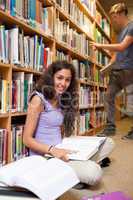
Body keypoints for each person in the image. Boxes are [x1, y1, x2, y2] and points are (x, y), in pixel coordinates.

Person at [23, 60, 114, 188]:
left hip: (62, 148)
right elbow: (26, 139)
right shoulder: (38, 99)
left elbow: (59, 132)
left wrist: (71, 146)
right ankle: (74, 172)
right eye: (59, 78)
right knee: (94, 172)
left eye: (67, 80)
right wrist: (53, 150)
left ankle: (72, 174)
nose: (63, 83)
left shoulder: (62, 98)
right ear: (51, 77)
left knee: (108, 142)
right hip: (47, 155)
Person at [90, 3, 133, 139]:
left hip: (128, 71)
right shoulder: (120, 32)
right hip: (116, 71)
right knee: (108, 97)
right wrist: (108, 66)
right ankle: (110, 128)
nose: (114, 20)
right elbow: (117, 53)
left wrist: (100, 45)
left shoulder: (132, 27)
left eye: (115, 17)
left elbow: (121, 47)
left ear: (122, 14)